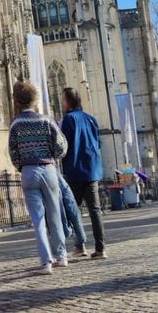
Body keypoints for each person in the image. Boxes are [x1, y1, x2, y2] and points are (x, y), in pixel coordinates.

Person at [9, 81, 68, 275]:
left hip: (29, 170)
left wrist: (21, 165)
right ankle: (61, 255)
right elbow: (61, 146)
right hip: (48, 168)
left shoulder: (16, 123)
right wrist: (51, 156)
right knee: (54, 214)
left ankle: (46, 261)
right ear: (35, 100)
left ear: (18, 101)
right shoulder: (46, 120)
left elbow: (13, 151)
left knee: (38, 219)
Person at [59, 87, 106, 258]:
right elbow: (98, 143)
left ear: (68, 101)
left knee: (72, 209)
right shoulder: (91, 119)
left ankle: (79, 245)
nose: (62, 102)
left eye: (63, 99)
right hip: (92, 169)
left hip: (75, 169)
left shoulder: (68, 119)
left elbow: (63, 146)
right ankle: (101, 248)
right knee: (95, 210)